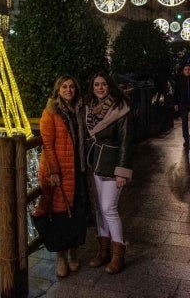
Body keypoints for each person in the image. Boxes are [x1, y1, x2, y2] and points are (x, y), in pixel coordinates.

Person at [36, 75, 88, 278]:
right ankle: (61, 257)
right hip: (62, 172)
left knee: (76, 213)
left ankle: (74, 253)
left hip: (79, 169)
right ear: (57, 90)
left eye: (72, 87)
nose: (69, 90)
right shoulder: (51, 113)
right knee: (60, 214)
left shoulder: (79, 110)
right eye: (64, 87)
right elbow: (48, 146)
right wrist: (55, 172)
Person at [83, 72, 132, 274]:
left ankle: (118, 254)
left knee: (108, 208)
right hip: (96, 162)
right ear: (92, 87)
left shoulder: (120, 108)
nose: (100, 88)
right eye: (96, 84)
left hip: (112, 165)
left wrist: (122, 171)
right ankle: (103, 251)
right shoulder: (90, 108)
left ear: (110, 86)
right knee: (99, 210)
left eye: (104, 84)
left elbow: (126, 142)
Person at [174, 61, 190, 148]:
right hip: (183, 103)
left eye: (189, 69)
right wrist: (175, 103)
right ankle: (187, 140)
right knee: (184, 122)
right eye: (186, 69)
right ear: (183, 71)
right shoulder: (180, 80)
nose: (187, 71)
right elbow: (176, 93)